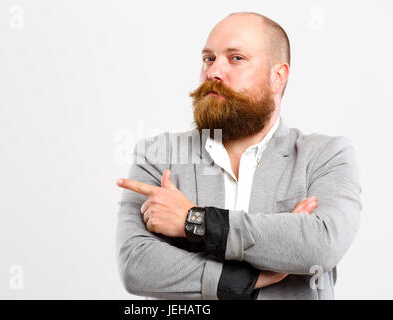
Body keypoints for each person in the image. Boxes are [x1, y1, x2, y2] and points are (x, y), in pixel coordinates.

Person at [115, 12, 361, 300]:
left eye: (236, 58)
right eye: (209, 59)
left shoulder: (326, 155)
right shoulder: (158, 156)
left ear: (277, 76)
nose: (213, 72)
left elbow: (321, 244)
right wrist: (252, 275)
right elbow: (136, 266)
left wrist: (193, 221)